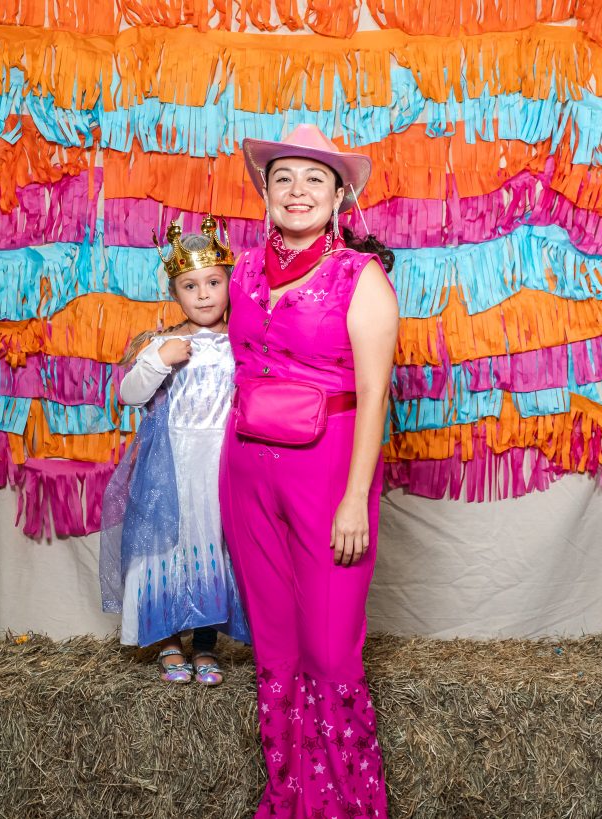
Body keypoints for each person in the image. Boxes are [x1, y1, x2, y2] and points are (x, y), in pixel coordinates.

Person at [220, 125, 399, 817]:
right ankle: (288, 796)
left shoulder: (361, 278)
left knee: (328, 649)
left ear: (340, 195)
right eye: (283, 178)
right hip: (246, 472)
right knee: (275, 648)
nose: (297, 191)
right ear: (265, 191)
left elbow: (375, 395)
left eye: (314, 179)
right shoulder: (240, 271)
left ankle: (346, 807)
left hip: (328, 474)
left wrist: (355, 498)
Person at [100, 217, 250, 686]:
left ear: (229, 285)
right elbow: (128, 394)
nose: (203, 295)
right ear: (174, 293)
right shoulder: (163, 343)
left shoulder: (241, 345)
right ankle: (167, 641)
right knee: (164, 551)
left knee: (213, 549)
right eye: (190, 286)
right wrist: (158, 361)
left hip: (220, 468)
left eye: (213, 283)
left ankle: (205, 644)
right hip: (169, 470)